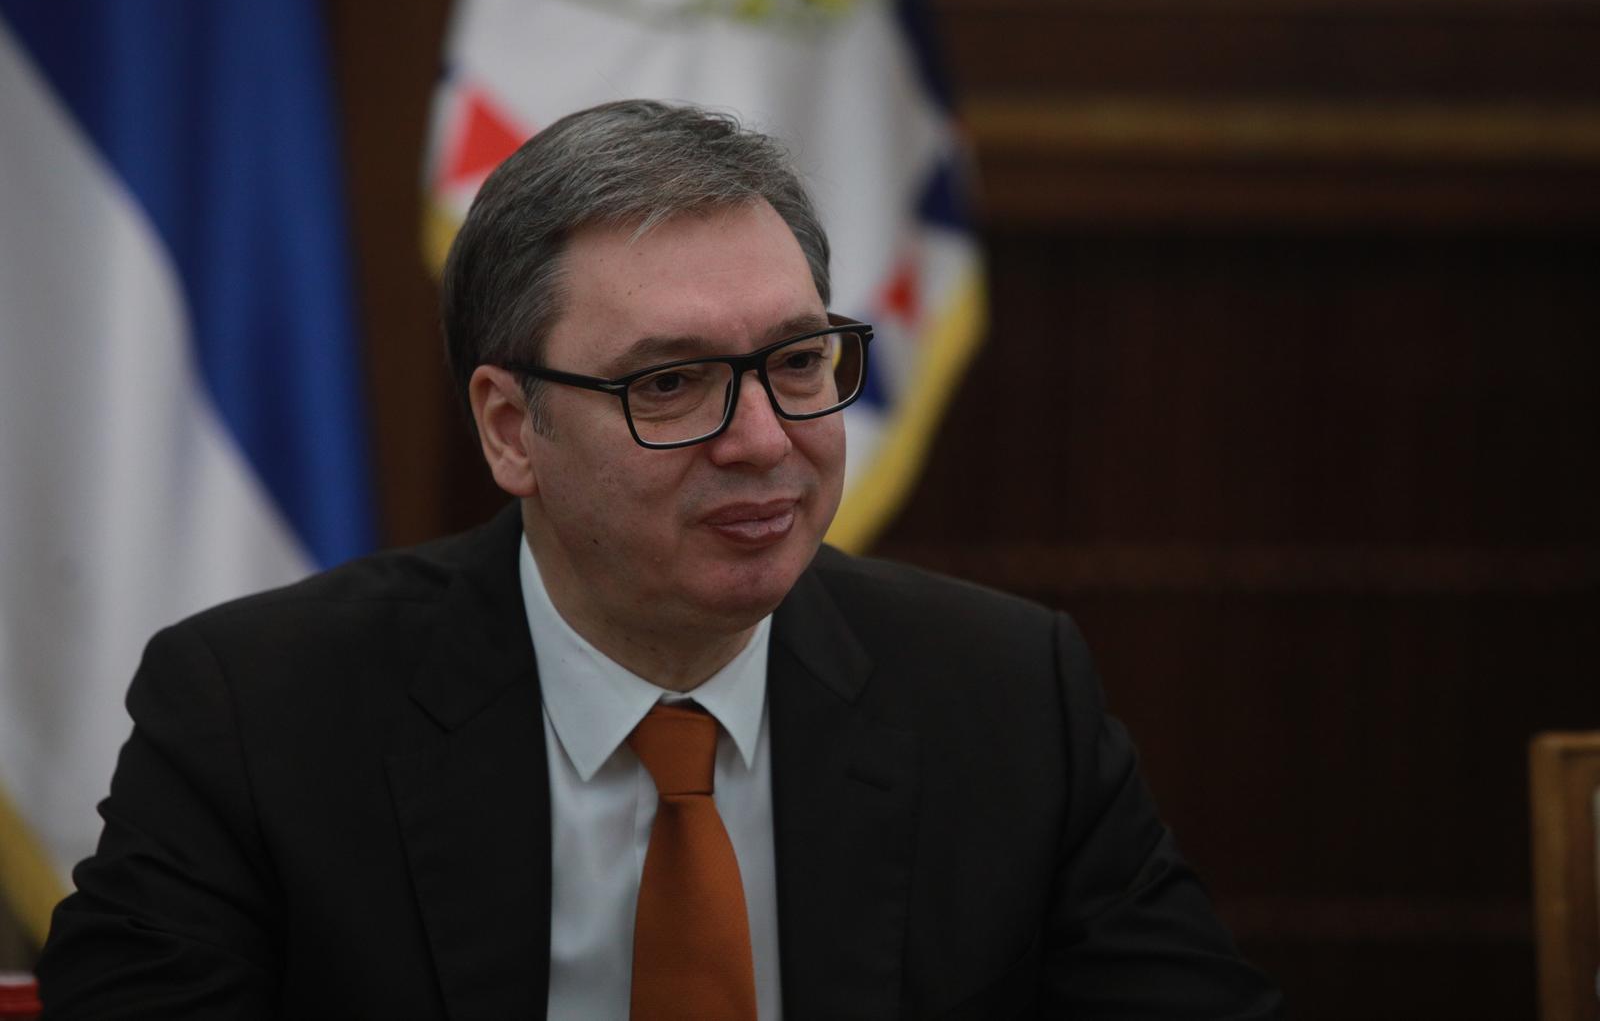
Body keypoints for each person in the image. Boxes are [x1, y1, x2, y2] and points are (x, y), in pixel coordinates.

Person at [38, 99, 1282, 1019]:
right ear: (511, 426)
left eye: (799, 362)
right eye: (671, 381)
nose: (763, 441)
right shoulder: (260, 711)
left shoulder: (1006, 694)